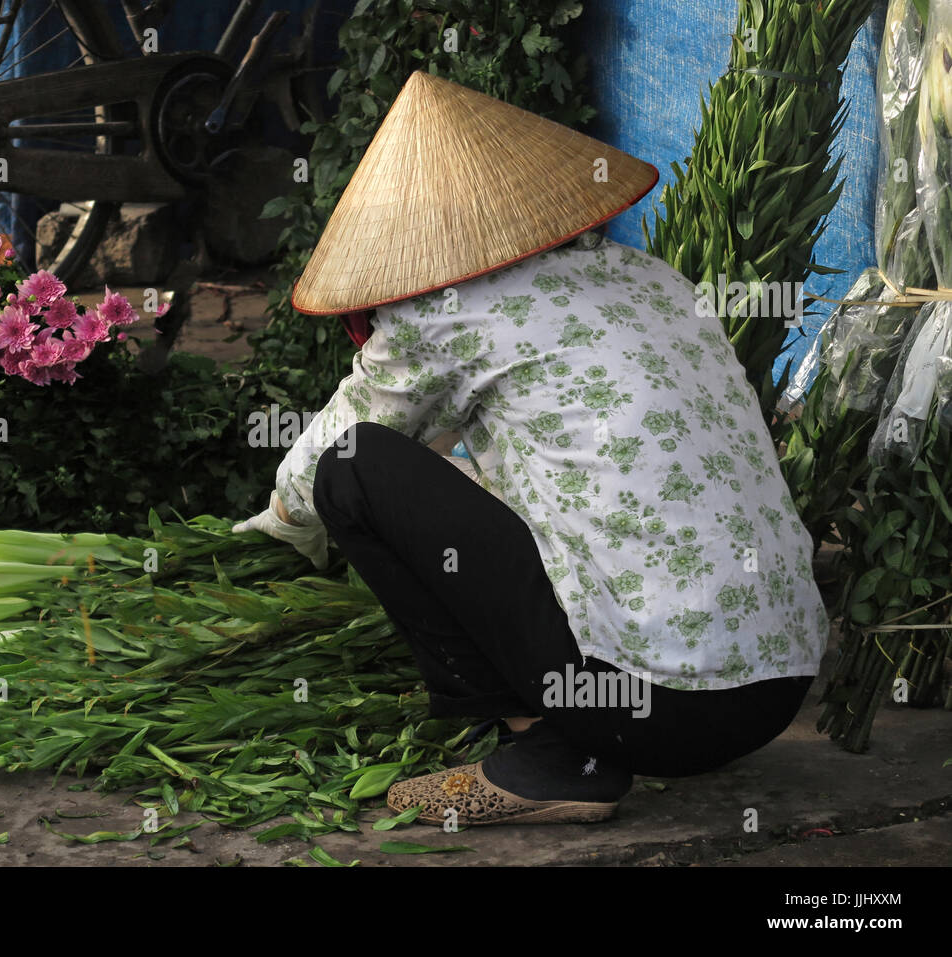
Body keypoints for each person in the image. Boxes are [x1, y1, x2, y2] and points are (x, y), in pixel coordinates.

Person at [233, 71, 829, 826]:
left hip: (655, 711)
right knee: (464, 469)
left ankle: (553, 757)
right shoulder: (651, 278)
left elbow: (321, 460)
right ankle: (574, 733)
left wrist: (274, 522)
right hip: (778, 688)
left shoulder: (443, 312)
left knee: (356, 469)